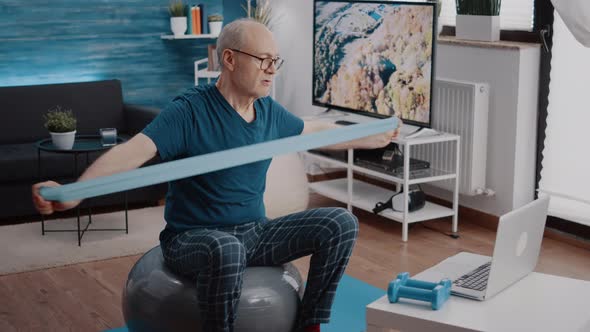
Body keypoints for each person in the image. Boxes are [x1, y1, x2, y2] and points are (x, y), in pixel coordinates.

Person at [32, 19, 400, 332]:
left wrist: (373, 136)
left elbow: (316, 129)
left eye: (276, 60)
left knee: (340, 222)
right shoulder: (189, 111)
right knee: (226, 248)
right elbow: (134, 151)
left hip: (254, 232)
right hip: (192, 238)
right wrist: (76, 192)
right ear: (229, 59)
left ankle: (309, 324)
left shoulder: (268, 112)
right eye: (263, 60)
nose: (272, 69)